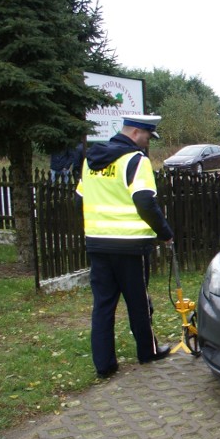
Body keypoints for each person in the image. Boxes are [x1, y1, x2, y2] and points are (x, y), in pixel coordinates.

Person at [75, 114, 174, 378]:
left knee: (103, 305)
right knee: (138, 302)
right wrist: (164, 233)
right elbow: (144, 202)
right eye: (147, 137)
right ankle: (148, 352)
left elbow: (78, 200)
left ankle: (104, 365)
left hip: (97, 243)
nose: (147, 143)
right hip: (130, 246)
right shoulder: (135, 160)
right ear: (135, 133)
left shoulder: (90, 161)